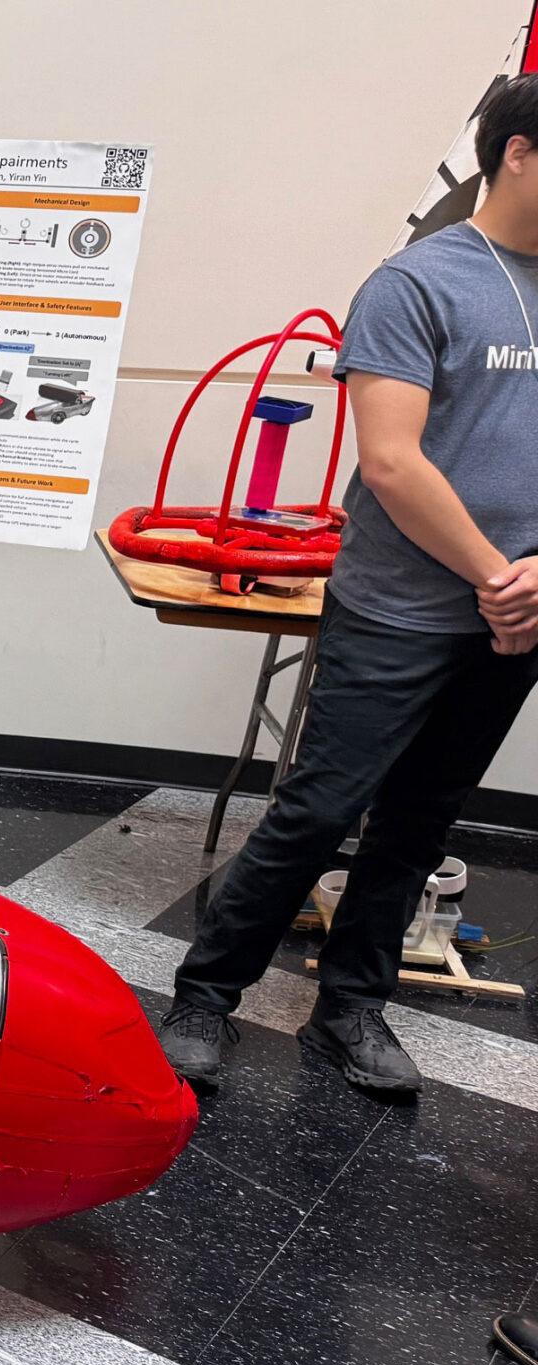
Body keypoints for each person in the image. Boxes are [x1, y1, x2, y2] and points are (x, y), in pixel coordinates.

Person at [159, 74, 538, 1095]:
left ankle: (352, 1009)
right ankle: (204, 995)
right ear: (517, 152)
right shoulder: (418, 282)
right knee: (320, 806)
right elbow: (391, 462)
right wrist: (503, 576)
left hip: (511, 615)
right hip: (402, 608)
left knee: (423, 816)